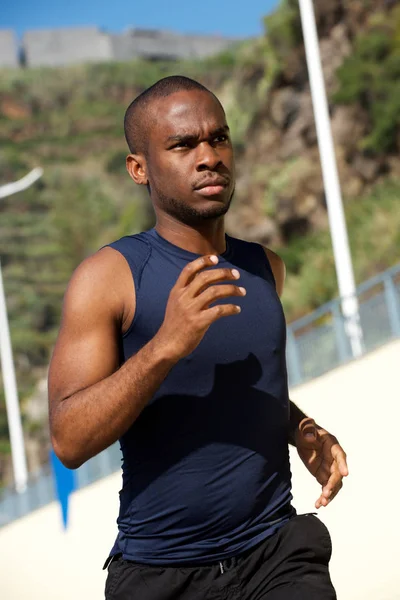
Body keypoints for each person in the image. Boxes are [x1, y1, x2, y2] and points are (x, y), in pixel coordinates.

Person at [48, 75, 348, 600]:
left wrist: (300, 426)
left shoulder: (264, 268)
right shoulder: (110, 278)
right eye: (183, 145)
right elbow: (69, 440)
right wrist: (166, 345)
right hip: (161, 574)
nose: (208, 156)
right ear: (138, 168)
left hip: (276, 553)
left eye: (219, 138)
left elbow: (236, 388)